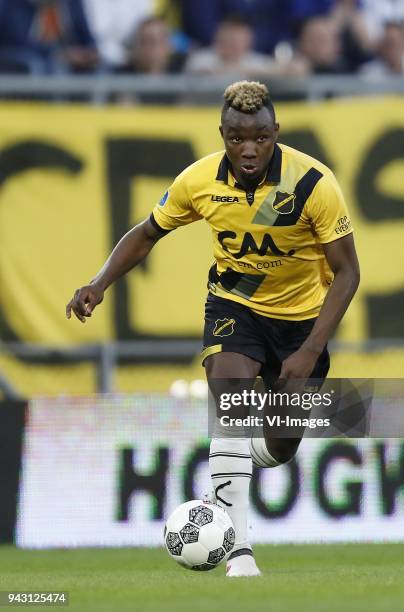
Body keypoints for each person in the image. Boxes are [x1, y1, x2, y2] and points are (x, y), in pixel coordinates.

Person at [66, 81, 360, 577]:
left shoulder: (313, 184)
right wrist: (99, 283)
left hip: (302, 323)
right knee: (231, 401)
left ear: (276, 133)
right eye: (237, 138)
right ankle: (239, 554)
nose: (249, 149)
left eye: (261, 138)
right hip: (235, 307)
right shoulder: (198, 180)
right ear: (222, 134)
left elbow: (348, 272)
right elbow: (145, 234)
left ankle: (227, 472)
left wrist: (311, 348)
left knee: (281, 447)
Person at [185, 16, 275, 77]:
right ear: (219, 38)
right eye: (232, 40)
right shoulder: (202, 58)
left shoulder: (253, 60)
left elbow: (277, 69)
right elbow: (200, 71)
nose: (236, 46)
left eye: (241, 41)